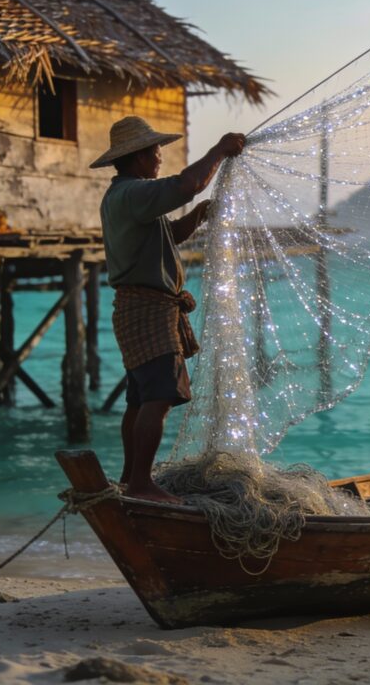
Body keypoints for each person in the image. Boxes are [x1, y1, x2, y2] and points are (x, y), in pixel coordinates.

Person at [93, 116, 246, 502]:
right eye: (156, 150)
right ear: (138, 157)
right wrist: (219, 150)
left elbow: (171, 234)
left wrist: (200, 215)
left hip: (138, 308)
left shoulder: (128, 196)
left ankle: (130, 479)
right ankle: (141, 484)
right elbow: (185, 185)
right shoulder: (133, 193)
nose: (161, 155)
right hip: (148, 309)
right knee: (159, 395)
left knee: (141, 397)